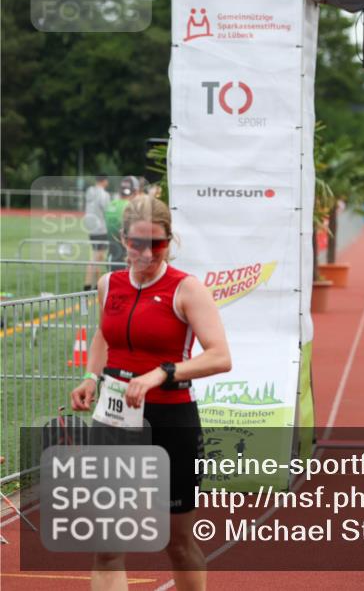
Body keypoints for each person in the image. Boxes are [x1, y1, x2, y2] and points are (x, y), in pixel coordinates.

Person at [70, 195, 232, 591]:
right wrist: (91, 377)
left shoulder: (186, 289)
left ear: (170, 241)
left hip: (170, 421)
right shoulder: (110, 284)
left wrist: (163, 372)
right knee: (107, 546)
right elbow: (102, 337)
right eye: (137, 243)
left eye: (157, 244)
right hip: (114, 421)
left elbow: (220, 357)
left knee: (176, 542)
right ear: (122, 239)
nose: (146, 253)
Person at [105, 176, 141, 264]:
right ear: (136, 192)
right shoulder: (131, 206)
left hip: (112, 254)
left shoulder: (111, 204)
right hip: (127, 257)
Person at [83, 175, 110, 290]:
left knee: (98, 256)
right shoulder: (104, 194)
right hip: (101, 229)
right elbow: (107, 211)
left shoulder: (89, 191)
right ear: (104, 181)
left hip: (91, 228)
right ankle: (87, 285)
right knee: (96, 257)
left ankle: (97, 284)